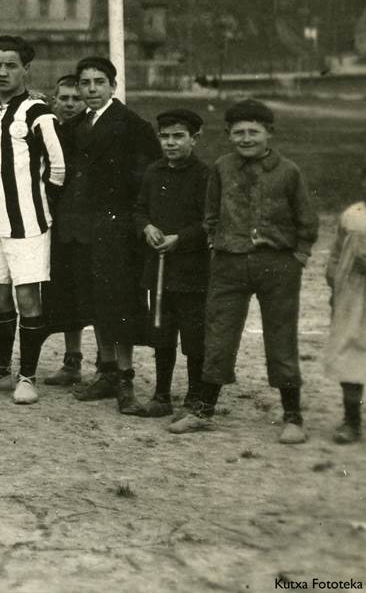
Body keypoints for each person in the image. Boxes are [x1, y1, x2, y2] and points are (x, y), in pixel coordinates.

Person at [171, 99, 318, 443]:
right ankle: (204, 409)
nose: (246, 138)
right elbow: (210, 213)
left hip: (278, 265)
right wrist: (216, 243)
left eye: (254, 131)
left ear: (270, 133)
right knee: (219, 335)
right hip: (229, 263)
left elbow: (306, 219)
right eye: (239, 132)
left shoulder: (289, 171)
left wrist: (299, 254)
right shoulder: (222, 167)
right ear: (228, 135)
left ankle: (292, 416)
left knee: (281, 337)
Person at [0, 37, 65, 405]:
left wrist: (38, 205)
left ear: (25, 70)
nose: (2, 72)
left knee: (27, 299)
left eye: (11, 66)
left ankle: (28, 376)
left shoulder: (39, 113)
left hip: (29, 225)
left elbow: (58, 168)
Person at [55, 56, 161, 415]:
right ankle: (107, 370)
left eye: (99, 82)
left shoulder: (132, 125)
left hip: (118, 230)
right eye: (85, 83)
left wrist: (138, 221)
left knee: (120, 303)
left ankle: (126, 376)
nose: (91, 89)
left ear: (113, 86)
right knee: (96, 301)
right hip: (85, 229)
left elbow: (147, 180)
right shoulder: (75, 126)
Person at [132, 108, 210, 418]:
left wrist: (181, 238)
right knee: (162, 334)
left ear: (194, 138)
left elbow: (209, 222)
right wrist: (146, 227)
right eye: (165, 137)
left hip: (192, 272)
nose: (171, 143)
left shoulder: (204, 175)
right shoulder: (153, 172)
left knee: (194, 337)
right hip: (160, 271)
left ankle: (194, 395)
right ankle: (161, 395)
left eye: (179, 136)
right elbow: (138, 210)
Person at [42, 74, 90, 385]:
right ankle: (73, 361)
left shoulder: (92, 132)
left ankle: (108, 362)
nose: (70, 104)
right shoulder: (49, 129)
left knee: (95, 295)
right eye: (65, 98)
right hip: (57, 222)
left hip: (89, 223)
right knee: (66, 293)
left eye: (76, 98)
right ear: (55, 100)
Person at [325, 166, 366, 444]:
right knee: (350, 350)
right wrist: (334, 286)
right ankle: (351, 420)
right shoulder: (353, 215)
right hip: (353, 294)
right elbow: (336, 255)